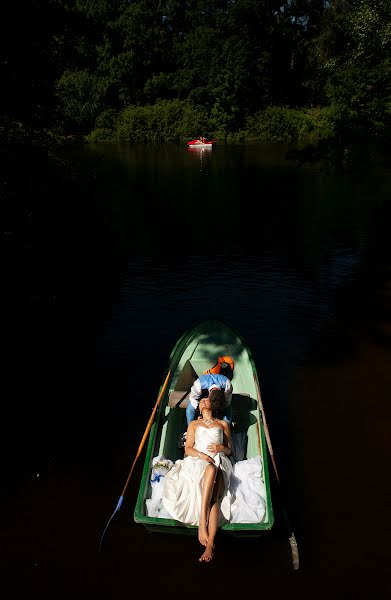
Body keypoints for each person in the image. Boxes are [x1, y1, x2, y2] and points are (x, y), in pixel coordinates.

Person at [162, 390, 232, 562]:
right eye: (200, 401)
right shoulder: (193, 424)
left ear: (212, 406)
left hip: (219, 459)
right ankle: (203, 525)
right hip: (199, 459)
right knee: (210, 472)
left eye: (206, 400)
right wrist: (204, 456)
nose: (202, 402)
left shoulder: (222, 424)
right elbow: (187, 449)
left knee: (215, 493)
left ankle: (210, 544)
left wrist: (220, 449)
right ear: (199, 409)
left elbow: (230, 450)